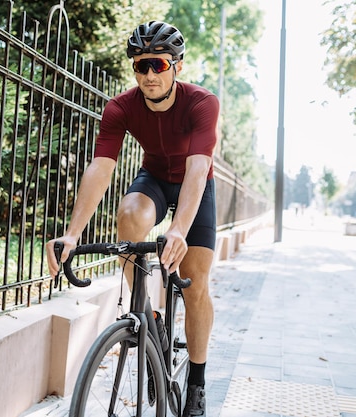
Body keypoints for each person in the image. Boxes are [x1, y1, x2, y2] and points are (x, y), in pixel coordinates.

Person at [46, 20, 218, 417]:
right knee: (129, 214)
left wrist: (178, 229)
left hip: (196, 184)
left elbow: (197, 169)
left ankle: (197, 380)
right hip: (156, 179)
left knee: (195, 284)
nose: (148, 75)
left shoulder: (201, 103)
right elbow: (101, 167)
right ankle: (148, 316)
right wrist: (72, 235)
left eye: (156, 65)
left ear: (176, 65)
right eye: (139, 66)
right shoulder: (121, 107)